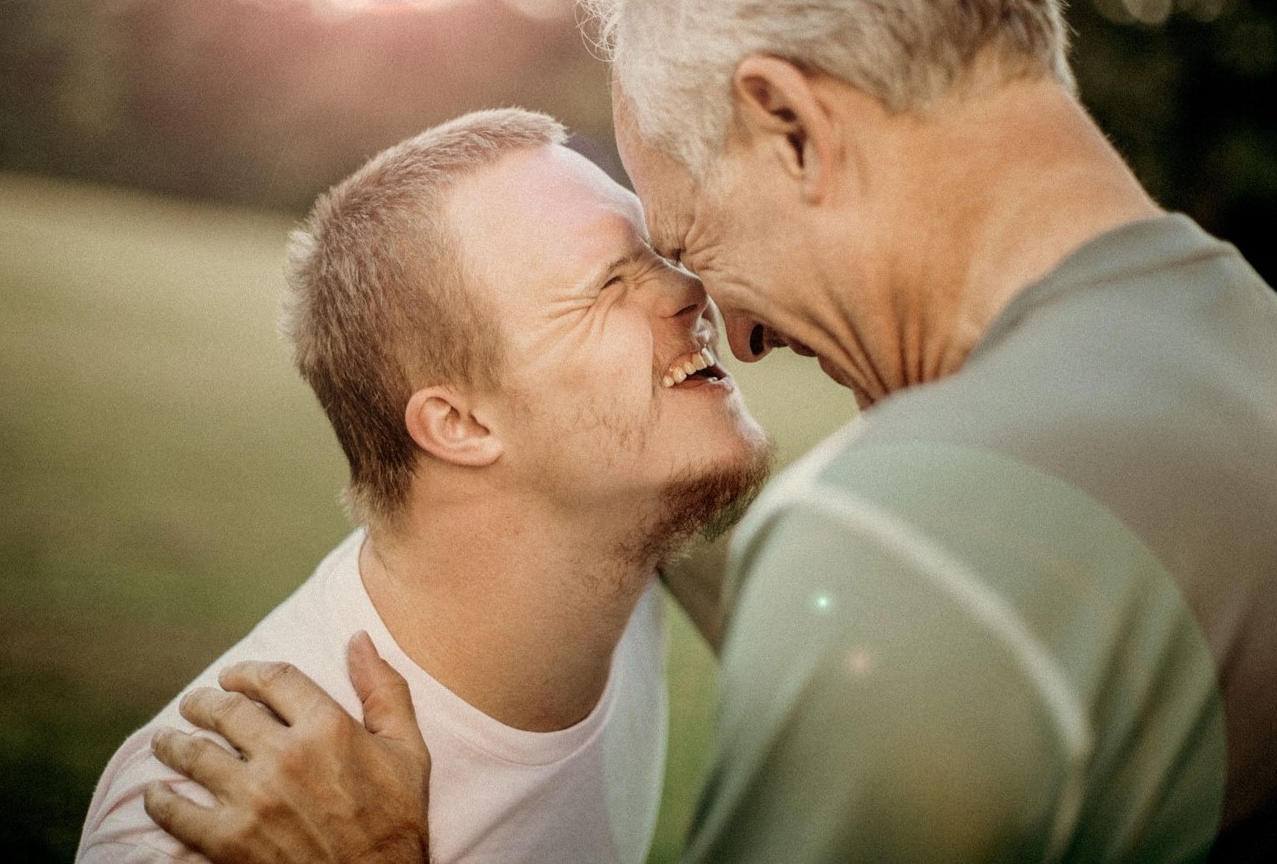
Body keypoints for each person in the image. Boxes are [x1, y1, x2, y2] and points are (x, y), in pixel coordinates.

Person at [143, 0, 1277, 863]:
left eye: (691, 237)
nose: (739, 324)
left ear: (786, 125)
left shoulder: (922, 532)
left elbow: (936, 572)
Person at [78, 108, 770, 863]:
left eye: (659, 250)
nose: (690, 287)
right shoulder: (222, 817)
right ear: (459, 423)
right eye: (610, 283)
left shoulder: (627, 521)